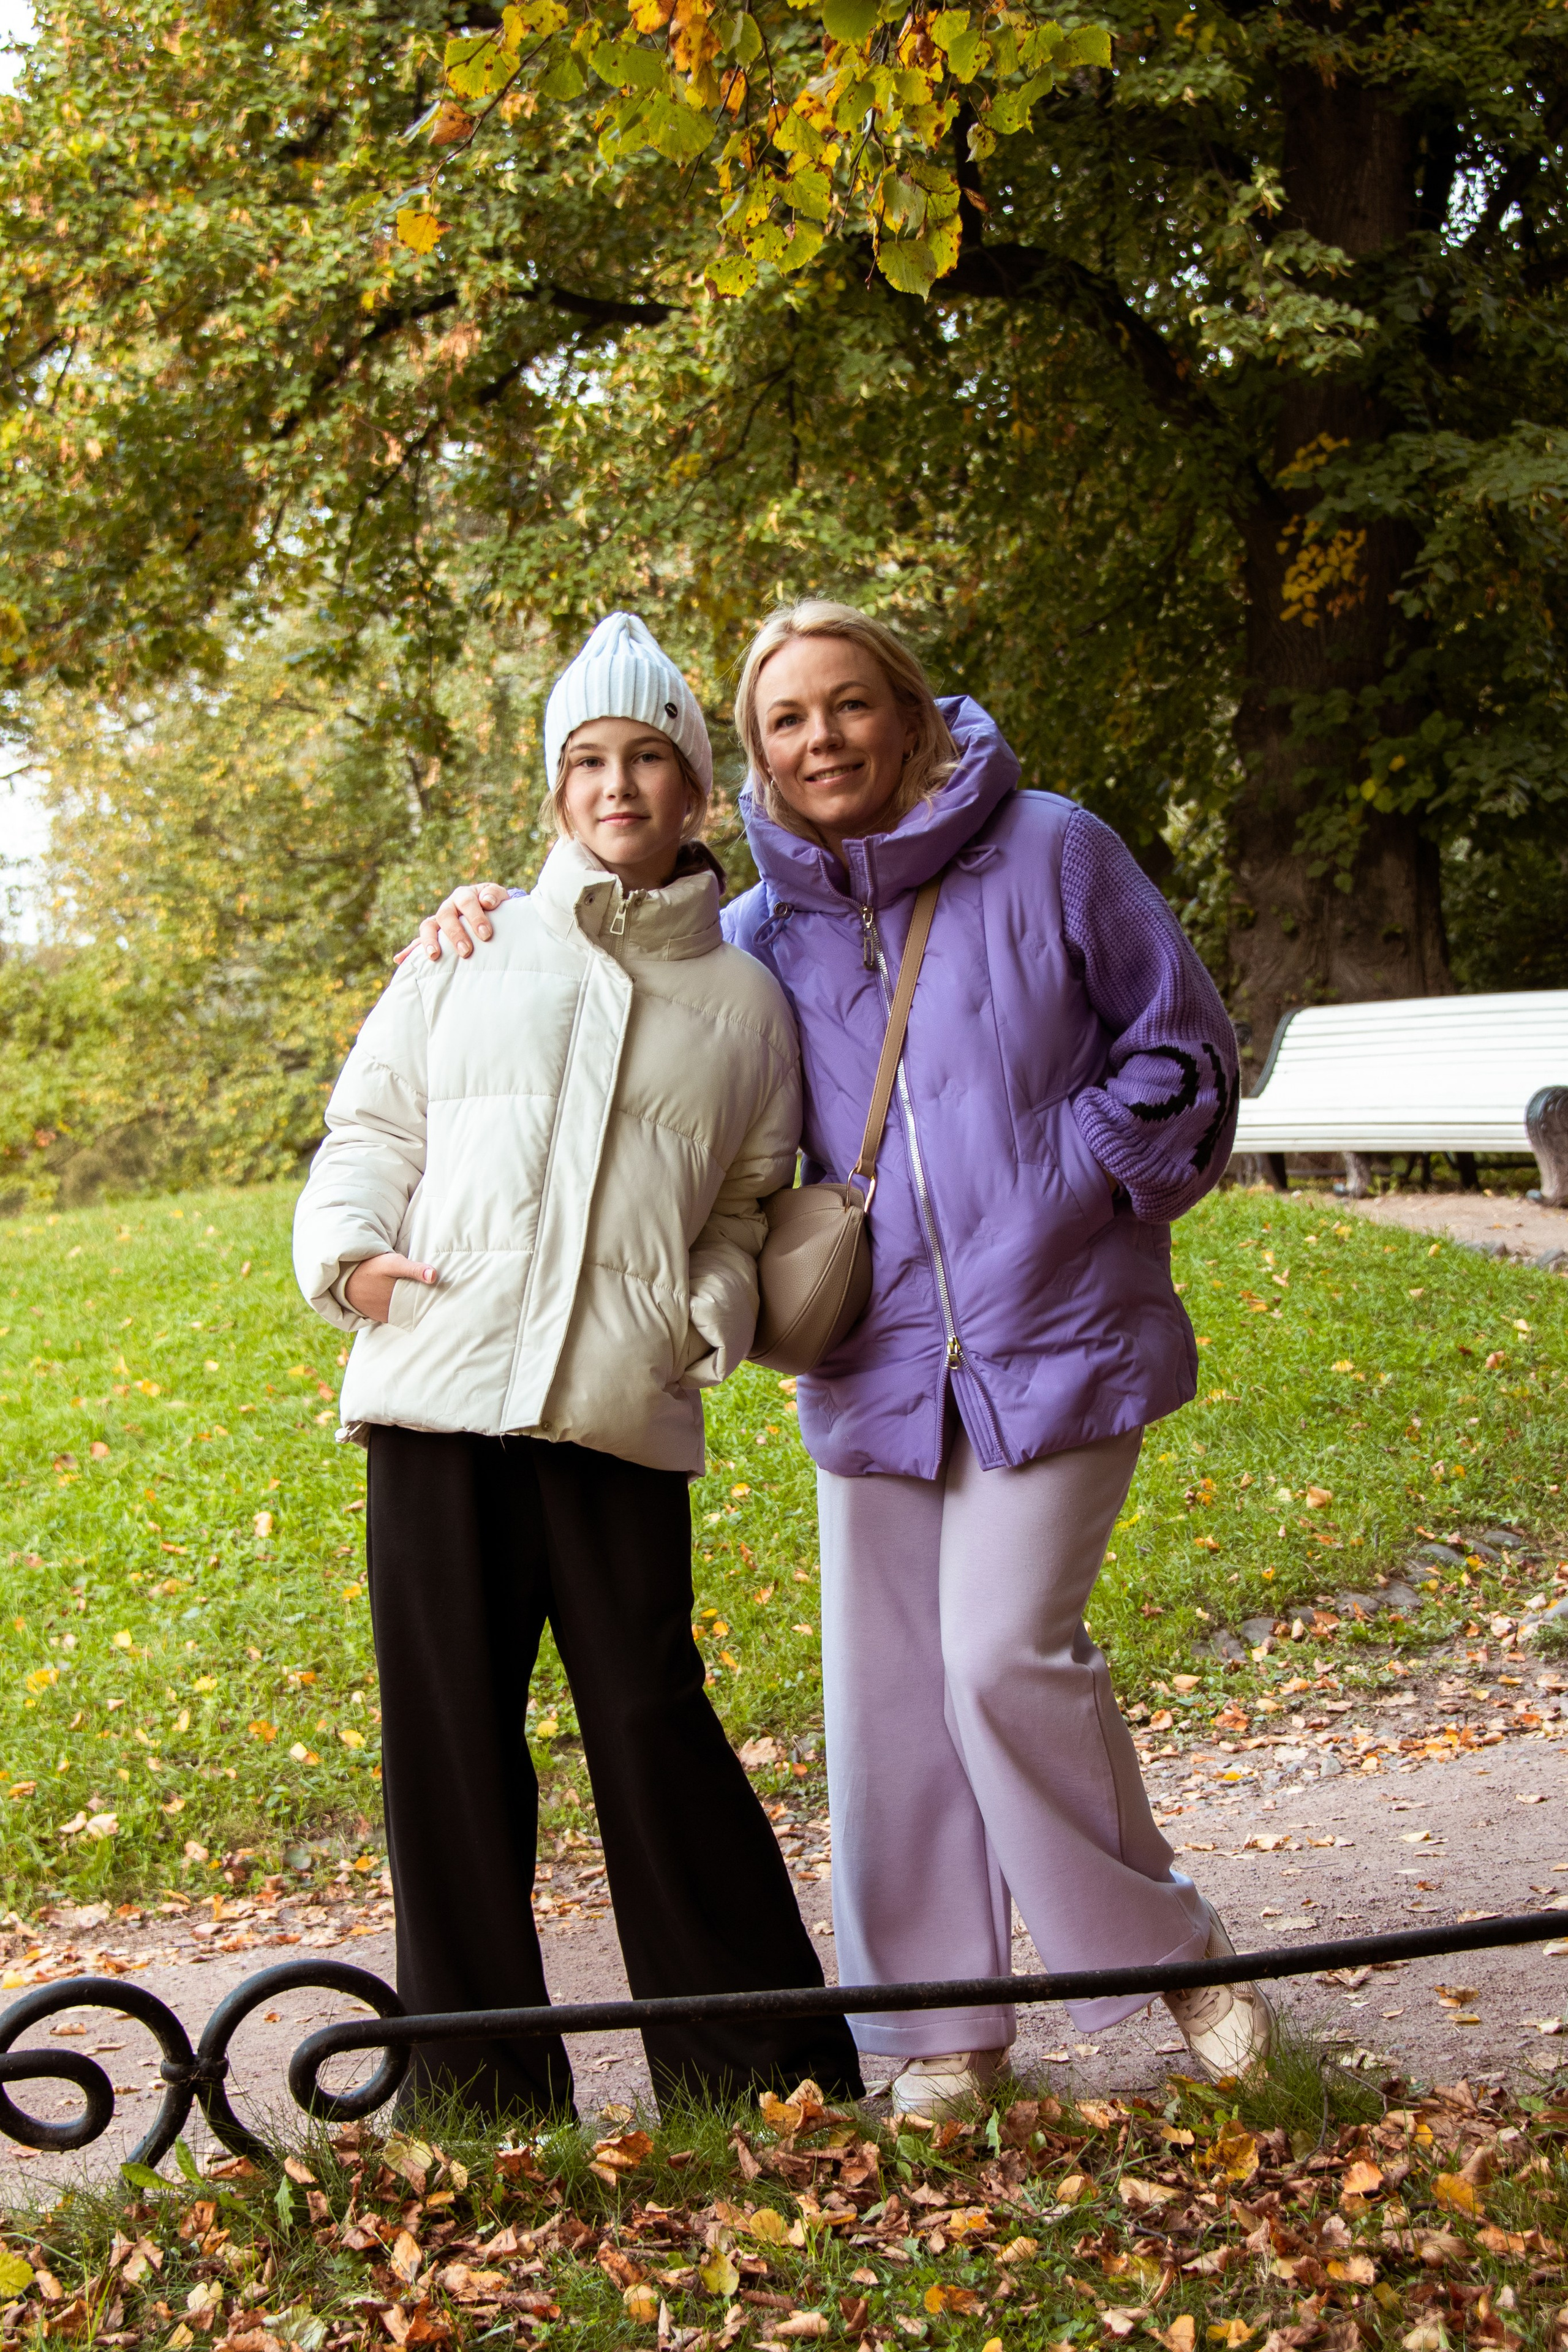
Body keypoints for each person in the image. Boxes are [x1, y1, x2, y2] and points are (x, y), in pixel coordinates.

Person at [409, 601, 1270, 2115]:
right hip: (871, 1368)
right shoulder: (753, 943)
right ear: (748, 756)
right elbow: (626, 997)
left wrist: (1074, 1172)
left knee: (1000, 1655)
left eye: (850, 705)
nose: (823, 741)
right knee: (887, 1705)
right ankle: (938, 2033)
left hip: (1054, 1329)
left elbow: (1181, 1048)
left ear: (909, 711)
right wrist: (476, 919)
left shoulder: (1054, 850)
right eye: (787, 721)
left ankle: (1171, 1957)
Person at [293, 611, 862, 2120]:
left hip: (616, 1407)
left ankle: (758, 2072)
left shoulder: (746, 1003)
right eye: (588, 761)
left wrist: (708, 1316)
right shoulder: (466, 947)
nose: (618, 787)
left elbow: (746, 1203)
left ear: (693, 789)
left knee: (651, 1723)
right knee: (448, 1753)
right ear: (556, 790)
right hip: (437, 1389)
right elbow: (371, 1130)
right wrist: (347, 1259)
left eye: (649, 760)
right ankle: (476, 2094)